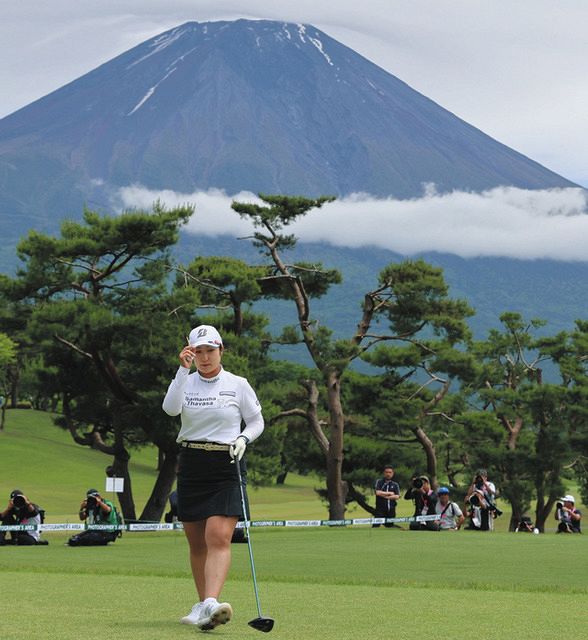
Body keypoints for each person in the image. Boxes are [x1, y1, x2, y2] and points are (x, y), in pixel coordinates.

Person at [162, 324, 264, 631]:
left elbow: (256, 420)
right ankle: (203, 604)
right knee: (196, 542)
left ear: (221, 350)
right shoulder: (186, 381)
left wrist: (244, 438)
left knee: (217, 536)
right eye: (199, 352)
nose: (205, 358)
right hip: (192, 463)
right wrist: (182, 371)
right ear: (191, 353)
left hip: (226, 463)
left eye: (211, 350)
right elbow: (170, 409)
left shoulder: (238, 384)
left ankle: (210, 602)